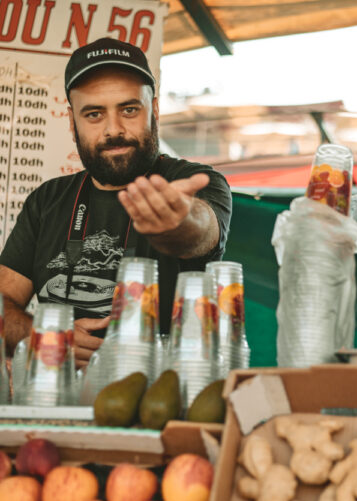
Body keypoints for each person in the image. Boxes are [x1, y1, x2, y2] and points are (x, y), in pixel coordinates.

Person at [0, 37, 232, 369]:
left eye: (129, 109)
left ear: (154, 110)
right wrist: (47, 335)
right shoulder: (47, 200)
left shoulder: (196, 182)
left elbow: (200, 232)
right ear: (71, 122)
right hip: (57, 396)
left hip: (159, 399)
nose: (114, 129)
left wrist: (178, 221)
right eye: (94, 114)